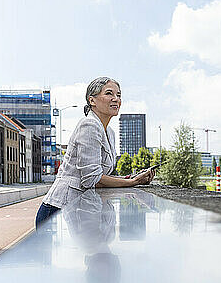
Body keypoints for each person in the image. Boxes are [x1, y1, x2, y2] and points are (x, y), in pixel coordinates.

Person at [35, 77, 154, 226]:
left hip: (81, 209)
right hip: (59, 209)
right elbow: (91, 179)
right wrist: (132, 182)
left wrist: (133, 177)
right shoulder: (89, 125)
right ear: (92, 100)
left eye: (119, 95)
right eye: (109, 93)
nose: (116, 99)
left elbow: (101, 175)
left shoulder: (109, 132)